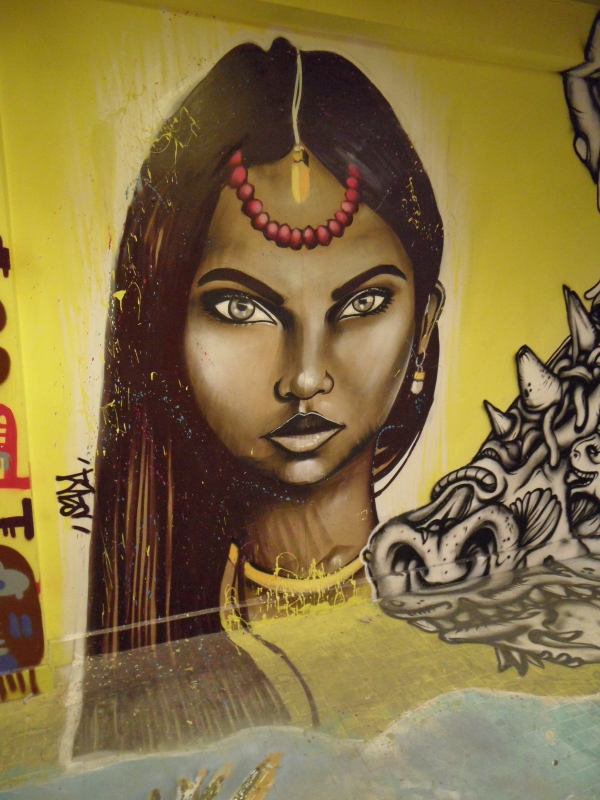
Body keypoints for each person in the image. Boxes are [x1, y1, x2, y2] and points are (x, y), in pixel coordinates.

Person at [86, 36, 444, 658]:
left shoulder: (463, 615)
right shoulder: (156, 638)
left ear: (424, 328)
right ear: (168, 333)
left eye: (363, 304)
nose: (304, 377)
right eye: (240, 309)